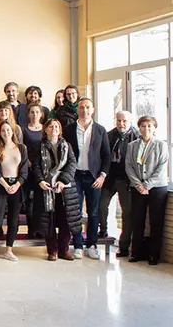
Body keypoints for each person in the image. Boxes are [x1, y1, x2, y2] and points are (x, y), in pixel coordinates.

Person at [64, 97, 110, 260]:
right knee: (75, 212)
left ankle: (92, 245)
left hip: (94, 177)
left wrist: (102, 175)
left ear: (93, 109)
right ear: (77, 109)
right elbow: (65, 154)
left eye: (88, 107)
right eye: (82, 107)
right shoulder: (69, 129)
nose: (85, 110)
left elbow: (106, 155)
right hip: (75, 175)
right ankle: (77, 245)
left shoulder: (100, 130)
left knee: (93, 212)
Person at [31, 118, 80, 261]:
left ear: (60, 130)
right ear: (45, 130)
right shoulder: (39, 146)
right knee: (49, 221)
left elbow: (72, 164)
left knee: (66, 221)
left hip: (65, 190)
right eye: (51, 127)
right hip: (46, 189)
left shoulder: (67, 146)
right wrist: (40, 180)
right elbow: (35, 166)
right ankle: (52, 251)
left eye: (56, 127)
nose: (54, 129)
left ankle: (64, 250)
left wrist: (63, 181)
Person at [125, 116, 169, 265]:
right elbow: (129, 166)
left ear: (155, 127)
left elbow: (161, 168)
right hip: (137, 187)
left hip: (157, 187)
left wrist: (147, 185)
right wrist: (138, 185)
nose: (146, 129)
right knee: (137, 220)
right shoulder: (132, 145)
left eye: (149, 126)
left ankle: (153, 255)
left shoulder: (161, 145)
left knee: (156, 222)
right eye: (143, 126)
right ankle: (136, 253)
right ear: (139, 128)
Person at [99, 111, 138, 256]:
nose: (121, 124)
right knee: (101, 206)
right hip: (109, 178)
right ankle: (102, 231)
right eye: (119, 120)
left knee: (127, 213)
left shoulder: (136, 137)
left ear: (130, 122)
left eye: (125, 121)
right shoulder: (109, 135)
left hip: (127, 180)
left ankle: (123, 246)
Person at [0, 121, 29, 261]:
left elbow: (24, 170)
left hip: (16, 186)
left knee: (13, 220)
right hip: (1, 186)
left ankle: (9, 250)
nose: (6, 132)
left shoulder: (21, 148)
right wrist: (5, 185)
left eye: (8, 130)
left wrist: (17, 185)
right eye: (3, 130)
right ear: (0, 133)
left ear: (13, 132)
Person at [22, 103, 45, 237]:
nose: (34, 114)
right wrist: (29, 163)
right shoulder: (24, 130)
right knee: (29, 201)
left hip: (43, 170)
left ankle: (41, 229)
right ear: (28, 114)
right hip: (29, 168)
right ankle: (32, 230)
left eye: (37, 112)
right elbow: (22, 148)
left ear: (41, 114)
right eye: (32, 112)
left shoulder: (45, 129)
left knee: (40, 200)